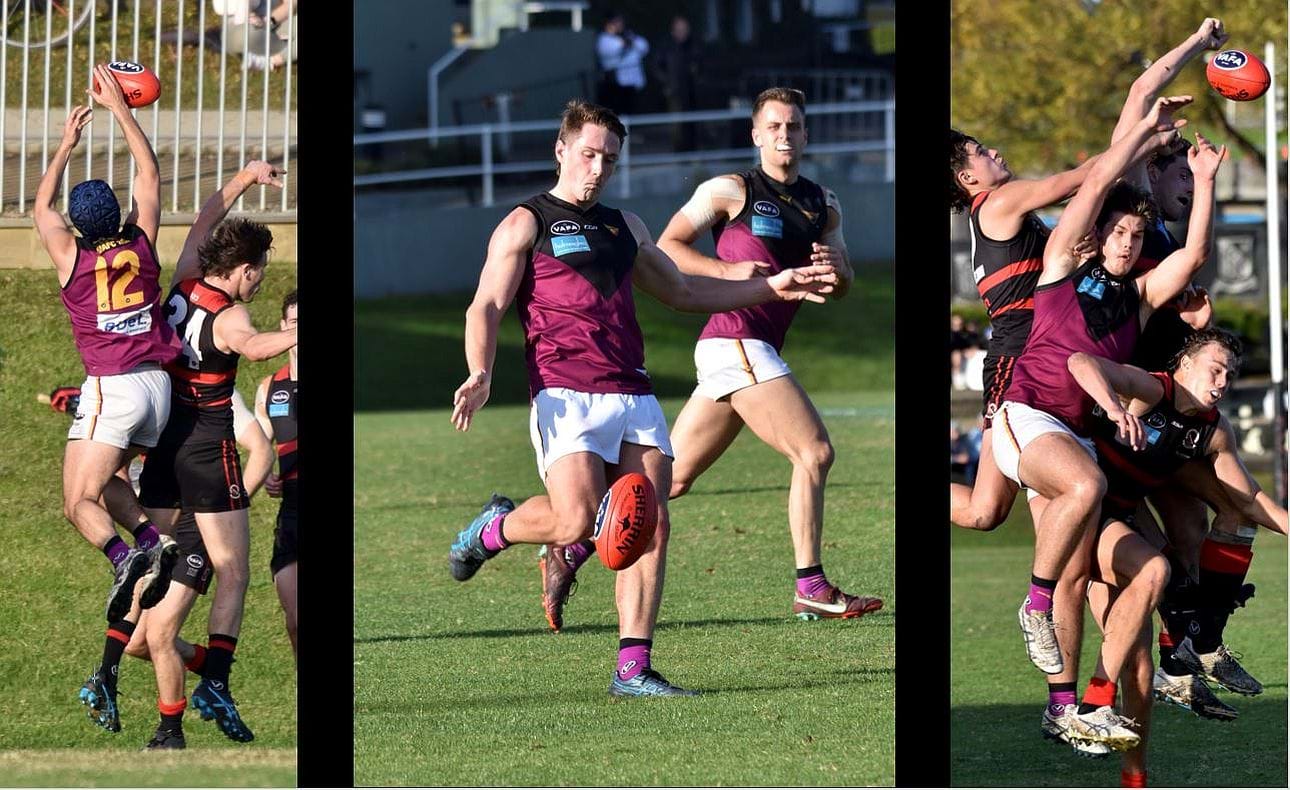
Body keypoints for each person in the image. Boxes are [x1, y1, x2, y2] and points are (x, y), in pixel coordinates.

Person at [447, 99, 838, 696]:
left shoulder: (625, 227)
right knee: (577, 518)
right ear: (562, 150)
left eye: (609, 158)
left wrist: (770, 285)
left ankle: (633, 668)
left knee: (650, 523)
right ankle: (494, 529)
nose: (597, 168)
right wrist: (480, 370)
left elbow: (681, 291)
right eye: (588, 155)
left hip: (632, 392)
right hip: (564, 392)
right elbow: (487, 305)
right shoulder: (526, 222)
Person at [990, 95, 1220, 746]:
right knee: (1078, 500)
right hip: (1026, 416)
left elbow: (1194, 254)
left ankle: (1075, 707)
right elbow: (1097, 181)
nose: (1127, 243)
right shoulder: (1063, 264)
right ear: (1097, 235)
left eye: (1136, 236)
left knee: (1145, 573)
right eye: (1118, 232)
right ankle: (1034, 609)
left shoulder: (1140, 299)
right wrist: (1143, 131)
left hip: (1072, 442)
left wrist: (1202, 183)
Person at [1064, 329, 1287, 784]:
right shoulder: (1154, 388)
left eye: (1230, 373)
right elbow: (1082, 362)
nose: (1223, 380)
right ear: (1184, 366)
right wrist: (1111, 406)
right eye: (1215, 368)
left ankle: (1136, 773)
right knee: (1153, 583)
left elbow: (1245, 497)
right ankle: (1091, 704)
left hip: (1120, 521)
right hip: (1081, 519)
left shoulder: (1212, 429)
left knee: (1140, 663)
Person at [34, 68, 184, 730]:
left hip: (114, 386)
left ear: (76, 225)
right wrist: (122, 111)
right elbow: (149, 177)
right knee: (114, 487)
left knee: (77, 503)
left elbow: (39, 210)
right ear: (118, 216)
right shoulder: (143, 246)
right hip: (157, 387)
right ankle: (149, 540)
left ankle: (127, 560)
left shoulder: (72, 259)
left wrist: (67, 143)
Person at [138, 160, 295, 742]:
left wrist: (245, 179)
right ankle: (218, 677)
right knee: (234, 571)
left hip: (161, 447)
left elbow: (206, 214)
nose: (260, 283)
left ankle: (172, 712)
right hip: (208, 448)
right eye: (260, 274)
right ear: (246, 271)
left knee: (157, 587)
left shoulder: (182, 280)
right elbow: (254, 348)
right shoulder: (230, 314)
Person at [121, 388, 274, 749]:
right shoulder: (148, 385)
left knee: (159, 634)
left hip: (201, 518)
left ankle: (170, 735)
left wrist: (230, 507)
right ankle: (208, 666)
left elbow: (261, 449)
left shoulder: (209, 384)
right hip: (159, 525)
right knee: (136, 642)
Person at [254, 289, 299, 660]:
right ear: (284, 327)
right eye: (295, 323)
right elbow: (258, 444)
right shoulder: (270, 387)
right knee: (295, 619)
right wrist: (268, 471)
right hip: (291, 513)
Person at [652, 15, 700, 150]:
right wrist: (667, 83)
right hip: (674, 91)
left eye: (685, 29)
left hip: (691, 90)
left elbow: (699, 65)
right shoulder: (667, 47)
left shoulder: (692, 46)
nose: (682, 32)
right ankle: (679, 150)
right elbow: (657, 67)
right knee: (677, 123)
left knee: (693, 121)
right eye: (679, 29)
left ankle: (693, 150)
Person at [596, 12, 649, 115]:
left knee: (633, 116)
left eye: (620, 22)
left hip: (633, 86)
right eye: (615, 23)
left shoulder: (630, 36)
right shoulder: (604, 39)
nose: (619, 25)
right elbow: (613, 48)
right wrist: (626, 41)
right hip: (614, 87)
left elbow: (644, 47)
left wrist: (629, 40)